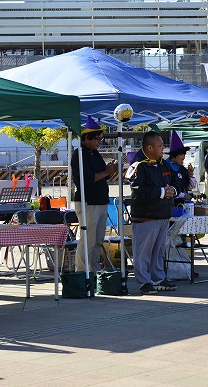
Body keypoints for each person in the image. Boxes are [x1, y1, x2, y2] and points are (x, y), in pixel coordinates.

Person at [127, 131, 179, 294]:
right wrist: (163, 192)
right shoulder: (139, 166)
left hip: (162, 213)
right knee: (143, 252)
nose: (163, 148)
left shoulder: (163, 163)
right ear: (149, 147)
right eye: (160, 145)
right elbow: (138, 190)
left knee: (159, 251)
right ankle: (144, 282)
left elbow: (177, 182)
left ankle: (158, 278)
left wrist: (174, 191)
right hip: (145, 216)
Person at [70, 116, 117, 273]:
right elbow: (88, 178)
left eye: (101, 139)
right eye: (97, 139)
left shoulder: (94, 153)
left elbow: (101, 175)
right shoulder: (79, 154)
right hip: (88, 201)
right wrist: (106, 172)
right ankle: (82, 272)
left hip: (101, 200)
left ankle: (94, 270)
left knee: (97, 240)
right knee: (87, 240)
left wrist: (109, 171)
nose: (99, 142)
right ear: (87, 137)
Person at [166, 131, 196, 206]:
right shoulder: (165, 168)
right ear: (173, 156)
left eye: (184, 155)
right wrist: (182, 195)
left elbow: (191, 186)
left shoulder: (182, 169)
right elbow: (166, 188)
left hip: (183, 205)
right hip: (169, 206)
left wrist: (190, 174)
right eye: (181, 155)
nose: (184, 157)